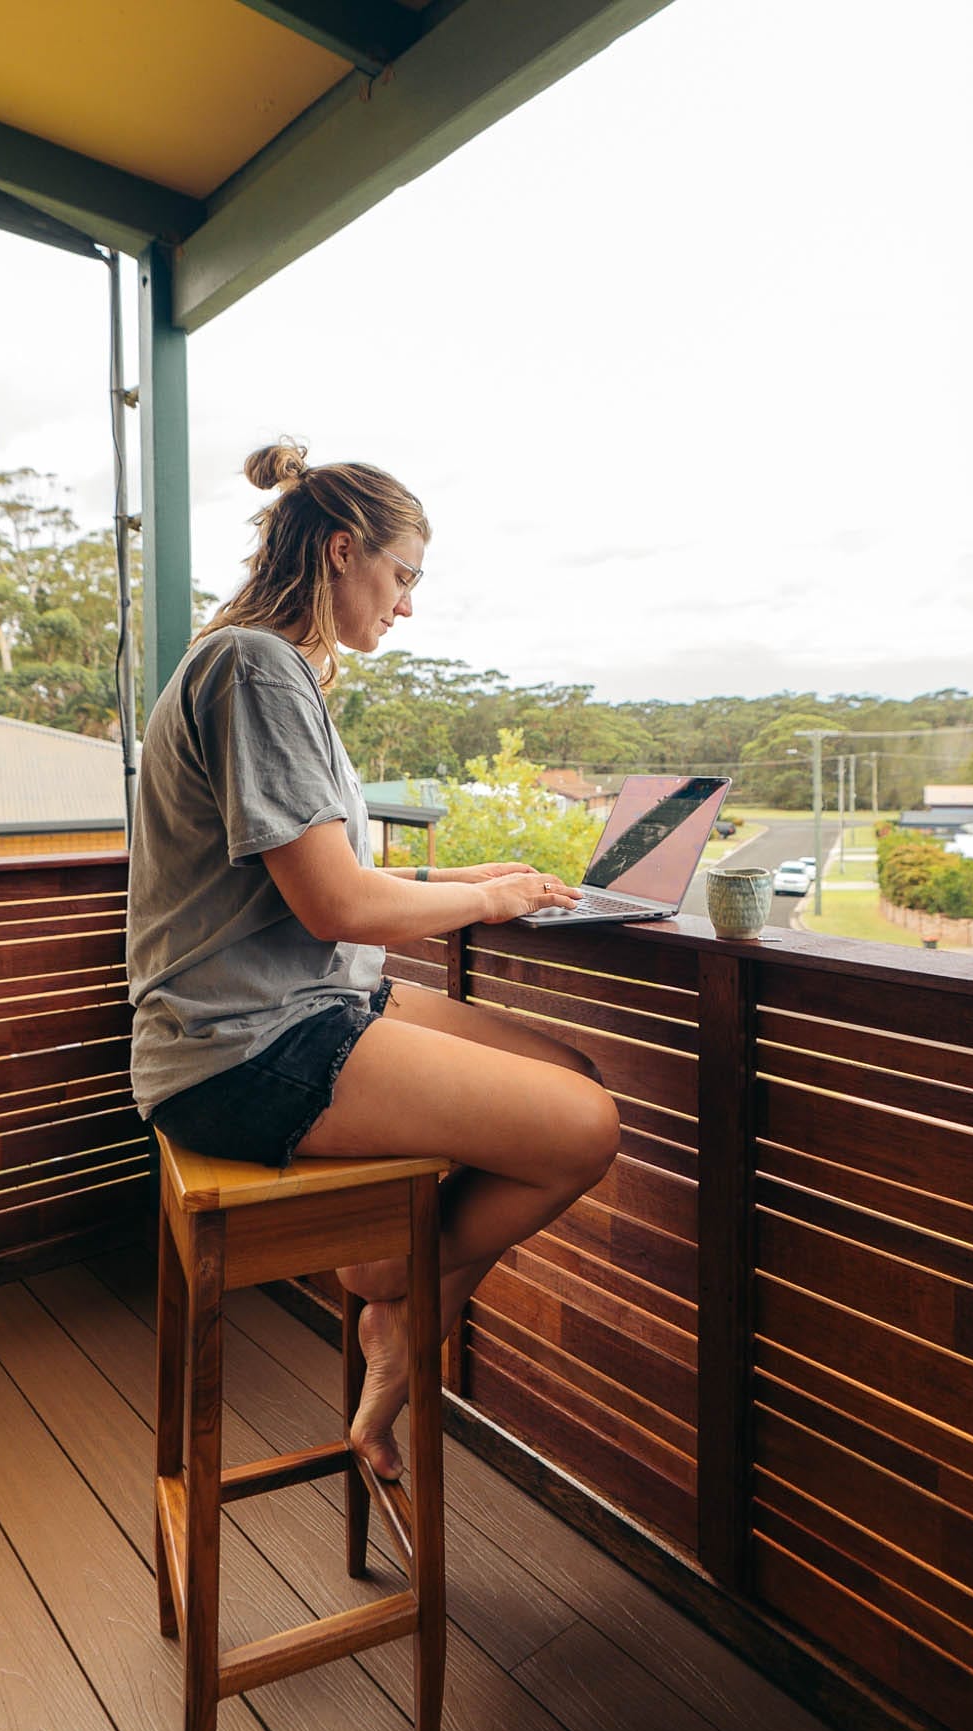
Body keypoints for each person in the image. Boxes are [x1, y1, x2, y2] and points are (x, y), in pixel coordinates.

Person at [127, 439, 621, 1481]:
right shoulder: (255, 668)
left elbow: (328, 874)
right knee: (584, 1127)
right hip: (242, 1049)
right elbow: (336, 905)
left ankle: (398, 1292)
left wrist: (467, 874)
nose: (406, 606)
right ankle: (395, 1292)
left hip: (309, 1009)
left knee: (568, 1076)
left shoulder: (272, 672)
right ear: (343, 551)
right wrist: (486, 900)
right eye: (403, 576)